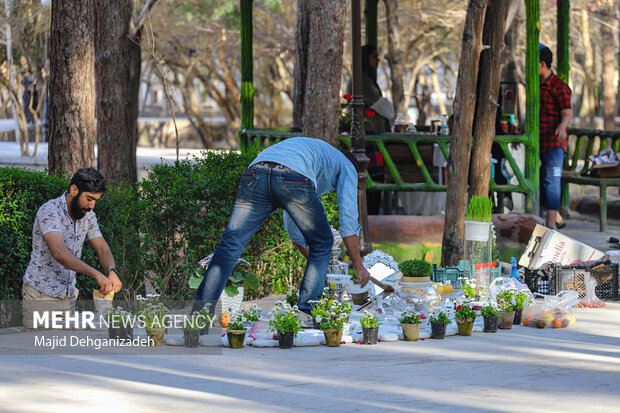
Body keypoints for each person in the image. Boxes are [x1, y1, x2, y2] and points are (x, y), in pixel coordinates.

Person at [193, 137, 371, 321]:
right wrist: (358, 267)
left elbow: (292, 224)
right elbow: (348, 220)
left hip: (256, 172)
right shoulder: (347, 166)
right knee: (324, 241)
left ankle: (198, 317)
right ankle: (306, 313)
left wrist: (317, 264)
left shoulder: (316, 155)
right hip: (292, 176)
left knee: (231, 244)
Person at [22, 168, 122, 329]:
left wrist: (111, 271)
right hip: (41, 297)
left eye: (96, 200)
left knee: (65, 348)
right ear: (74, 190)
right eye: (89, 199)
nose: (92, 206)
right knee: (40, 350)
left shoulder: (87, 215)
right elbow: (59, 253)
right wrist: (97, 274)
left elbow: (103, 248)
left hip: (68, 299)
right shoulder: (49, 211)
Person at [346, 44, 392, 214]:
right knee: (372, 182)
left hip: (370, 138)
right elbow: (387, 110)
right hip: (366, 139)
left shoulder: (364, 78)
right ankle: (370, 219)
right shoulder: (361, 79)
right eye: (374, 57)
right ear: (365, 59)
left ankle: (371, 218)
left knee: (373, 182)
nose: (377, 61)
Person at [538, 44, 572, 229]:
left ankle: (551, 225)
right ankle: (556, 216)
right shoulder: (536, 86)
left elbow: (567, 112)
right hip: (539, 141)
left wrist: (562, 125)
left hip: (554, 142)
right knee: (541, 179)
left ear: (542, 63)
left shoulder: (559, 86)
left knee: (552, 179)